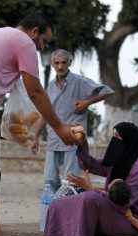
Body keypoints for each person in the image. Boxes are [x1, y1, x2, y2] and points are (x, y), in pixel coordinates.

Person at [0, 14, 77, 236]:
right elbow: (36, 91)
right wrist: (59, 126)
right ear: (35, 32)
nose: (42, 47)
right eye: (44, 41)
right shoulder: (23, 42)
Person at [44, 122, 138, 236]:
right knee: (59, 203)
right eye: (113, 135)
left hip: (129, 221)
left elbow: (123, 203)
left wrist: (91, 187)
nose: (113, 140)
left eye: (117, 136)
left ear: (129, 141)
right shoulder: (117, 161)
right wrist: (82, 143)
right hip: (112, 212)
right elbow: (90, 164)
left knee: (90, 198)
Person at [31, 49, 114, 192]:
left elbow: (108, 91)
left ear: (69, 63)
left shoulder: (80, 81)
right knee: (49, 179)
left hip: (73, 139)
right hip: (53, 138)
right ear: (52, 64)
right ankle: (59, 201)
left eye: (63, 62)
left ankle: (68, 204)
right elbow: (45, 114)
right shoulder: (50, 86)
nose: (60, 66)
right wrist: (36, 137)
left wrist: (87, 102)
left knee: (71, 180)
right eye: (56, 63)